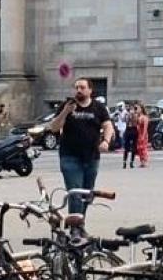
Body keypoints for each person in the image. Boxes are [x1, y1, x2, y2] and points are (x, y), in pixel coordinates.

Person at [49, 78, 114, 216]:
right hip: (70, 157)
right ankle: (75, 228)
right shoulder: (66, 106)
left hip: (91, 157)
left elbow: (108, 125)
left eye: (82, 87)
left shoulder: (98, 107)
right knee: (75, 192)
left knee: (87, 193)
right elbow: (54, 128)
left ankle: (79, 222)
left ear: (90, 90)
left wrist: (106, 141)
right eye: (76, 87)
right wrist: (65, 112)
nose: (79, 90)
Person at [121, 103, 139, 168]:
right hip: (134, 130)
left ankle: (124, 163)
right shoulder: (136, 115)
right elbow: (138, 122)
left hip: (128, 130)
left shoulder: (127, 114)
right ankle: (131, 162)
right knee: (134, 146)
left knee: (126, 147)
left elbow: (123, 120)